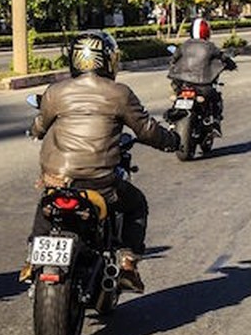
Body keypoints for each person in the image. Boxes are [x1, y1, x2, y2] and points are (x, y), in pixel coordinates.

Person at [28, 30, 179, 292]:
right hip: (100, 182)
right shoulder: (119, 93)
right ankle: (128, 264)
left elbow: (39, 126)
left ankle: (32, 259)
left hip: (58, 176)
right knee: (136, 205)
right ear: (108, 61)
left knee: (47, 202)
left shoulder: (56, 92)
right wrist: (172, 141)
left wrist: (35, 131)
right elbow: (147, 130)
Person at [167, 18, 237, 133]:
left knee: (176, 96)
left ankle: (172, 122)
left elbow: (173, 59)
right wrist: (231, 65)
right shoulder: (210, 47)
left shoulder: (184, 46)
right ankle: (215, 122)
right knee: (216, 98)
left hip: (181, 84)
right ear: (207, 32)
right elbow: (223, 57)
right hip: (203, 86)